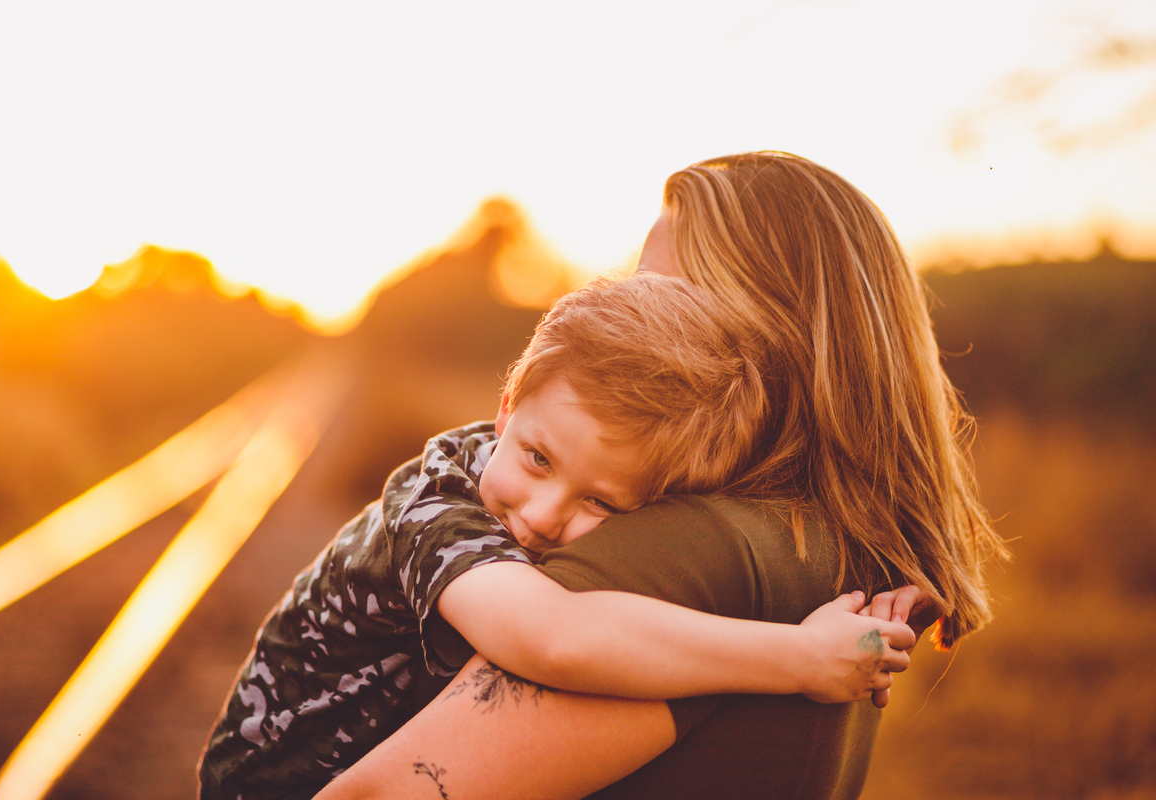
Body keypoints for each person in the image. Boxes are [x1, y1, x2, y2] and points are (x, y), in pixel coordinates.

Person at [315, 152, 1009, 800]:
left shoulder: (691, 548)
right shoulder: (836, 553)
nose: (628, 324)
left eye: (661, 298)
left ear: (771, 327)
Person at [198, 274, 917, 800]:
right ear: (506, 408)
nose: (543, 515)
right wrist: (802, 658)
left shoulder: (534, 484)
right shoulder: (435, 503)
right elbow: (552, 638)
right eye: (538, 459)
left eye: (600, 501)